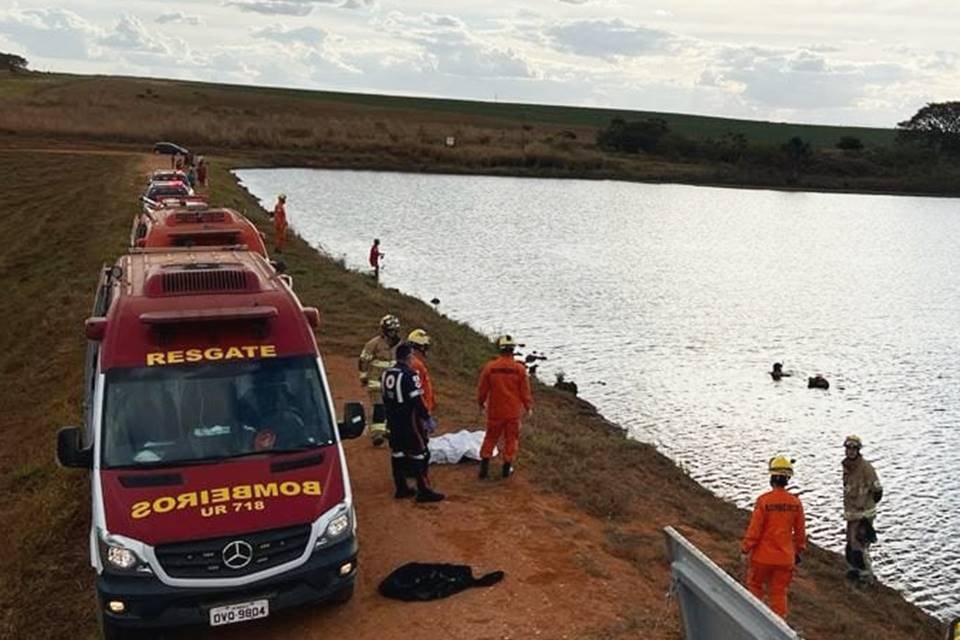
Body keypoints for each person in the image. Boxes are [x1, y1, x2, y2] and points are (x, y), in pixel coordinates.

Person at [741, 456, 806, 619]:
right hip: (785, 559)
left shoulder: (764, 501)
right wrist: (797, 551)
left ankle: (753, 622)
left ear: (771, 477)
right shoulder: (795, 503)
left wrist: (745, 548)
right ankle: (778, 630)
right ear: (787, 479)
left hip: (761, 558)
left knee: (755, 587)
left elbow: (755, 530)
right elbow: (800, 532)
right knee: (779, 593)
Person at [381, 343, 443, 502]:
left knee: (397, 453)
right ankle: (424, 490)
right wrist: (427, 418)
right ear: (409, 357)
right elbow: (417, 400)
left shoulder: (386, 374)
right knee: (419, 453)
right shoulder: (410, 374)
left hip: (392, 420)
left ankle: (401, 487)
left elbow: (384, 399)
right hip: (409, 421)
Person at [476, 335, 533, 479]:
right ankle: (506, 468)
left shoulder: (490, 367)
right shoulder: (519, 369)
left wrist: (481, 402)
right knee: (511, 440)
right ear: (512, 350)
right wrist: (528, 406)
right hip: (513, 412)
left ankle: (484, 466)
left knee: (490, 438)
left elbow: (482, 388)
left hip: (495, 410)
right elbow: (524, 391)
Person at [842, 435, 883, 584]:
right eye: (848, 448)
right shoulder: (848, 467)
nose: (851, 451)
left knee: (860, 544)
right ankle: (855, 570)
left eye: (854, 448)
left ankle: (867, 577)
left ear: (858, 450)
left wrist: (867, 510)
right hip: (852, 513)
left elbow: (878, 491)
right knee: (851, 543)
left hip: (864, 514)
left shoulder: (866, 468)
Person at [359, 314, 401, 446]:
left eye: (394, 330)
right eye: (390, 330)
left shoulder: (400, 345)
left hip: (393, 382)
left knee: (393, 407)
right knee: (379, 407)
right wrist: (364, 377)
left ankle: (390, 431)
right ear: (384, 330)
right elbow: (363, 360)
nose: (392, 333)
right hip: (376, 380)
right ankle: (377, 435)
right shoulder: (373, 344)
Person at [407, 329, 435, 413]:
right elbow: (417, 391)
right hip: (417, 411)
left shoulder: (411, 362)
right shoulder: (416, 365)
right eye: (424, 346)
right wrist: (424, 410)